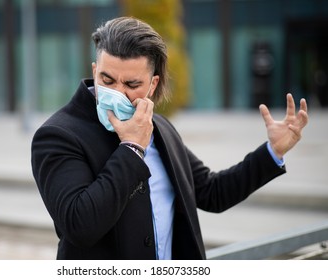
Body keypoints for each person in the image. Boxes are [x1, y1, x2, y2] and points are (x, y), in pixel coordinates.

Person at [31, 17, 308, 260]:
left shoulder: (161, 128)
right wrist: (131, 148)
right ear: (94, 71)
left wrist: (273, 150)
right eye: (107, 79)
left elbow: (212, 192)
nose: (117, 93)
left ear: (152, 83)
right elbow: (80, 225)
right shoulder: (58, 135)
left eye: (131, 84)